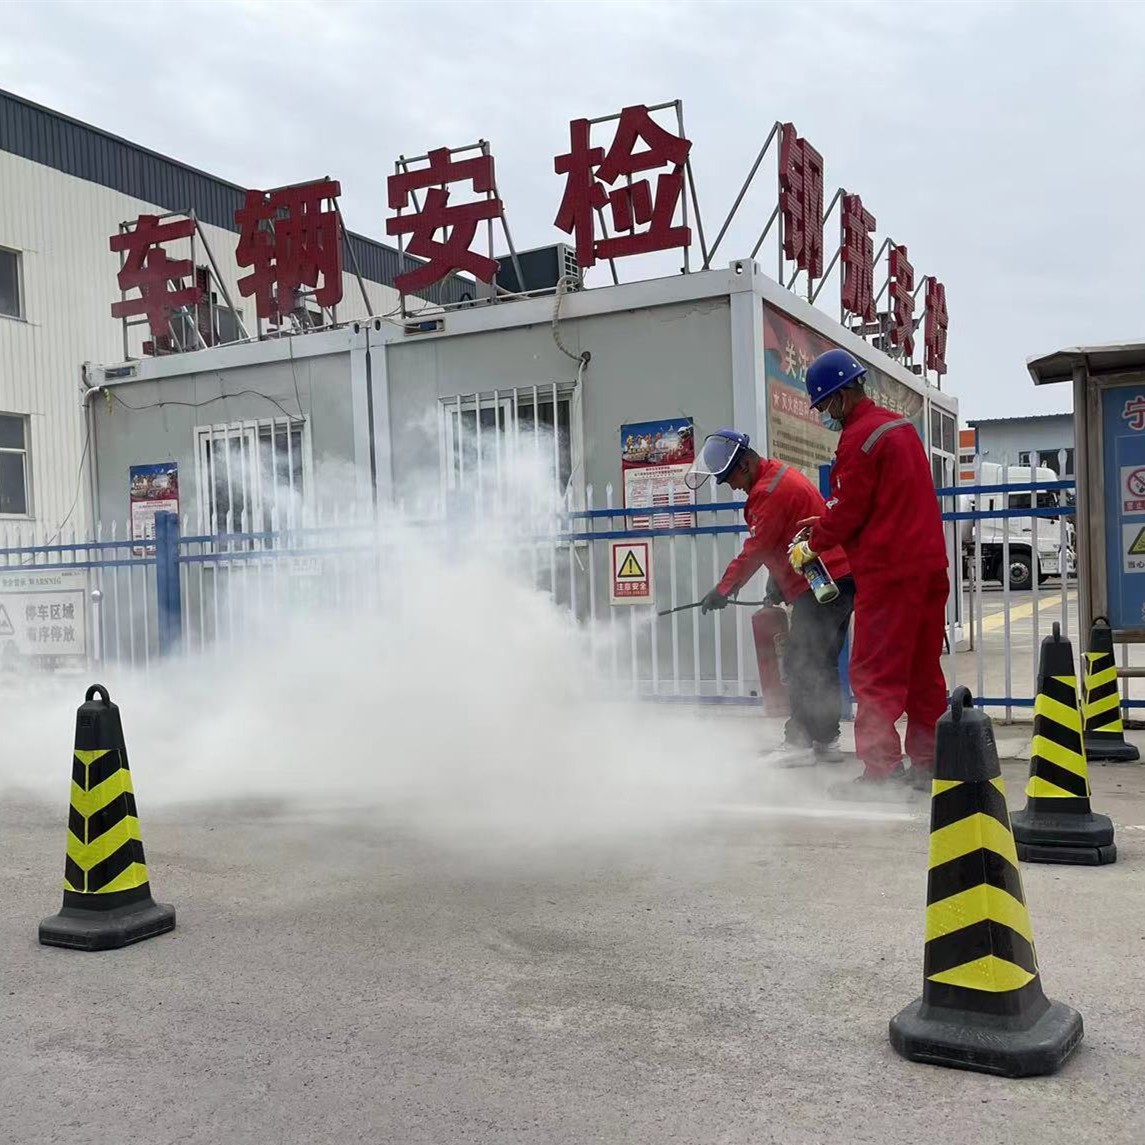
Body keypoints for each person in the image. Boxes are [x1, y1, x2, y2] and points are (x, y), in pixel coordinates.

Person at [790, 348, 949, 796]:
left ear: (841, 396)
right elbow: (880, 500)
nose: (825, 414)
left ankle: (881, 772)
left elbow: (849, 511)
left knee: (874, 673)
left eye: (824, 405)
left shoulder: (859, 438)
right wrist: (827, 521)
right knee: (922, 671)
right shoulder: (899, 428)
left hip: (888, 572)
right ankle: (929, 763)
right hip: (928, 567)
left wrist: (813, 543)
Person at [689, 428, 855, 766]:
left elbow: (757, 548)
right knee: (821, 661)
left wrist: (724, 589)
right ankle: (826, 740)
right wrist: (776, 581)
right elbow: (784, 539)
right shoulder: (778, 474)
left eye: (731, 478)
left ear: (745, 464)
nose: (731, 486)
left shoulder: (769, 491)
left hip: (821, 582)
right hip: (835, 578)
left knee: (801, 660)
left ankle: (799, 743)